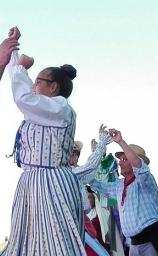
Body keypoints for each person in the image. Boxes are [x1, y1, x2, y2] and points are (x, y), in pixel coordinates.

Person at [2, 27, 86, 255]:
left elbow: (22, 96)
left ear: (53, 87)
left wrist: (19, 66)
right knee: (30, 244)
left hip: (52, 183)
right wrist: (12, 48)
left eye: (38, 81)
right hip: (32, 182)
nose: (33, 85)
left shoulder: (59, 107)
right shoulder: (42, 109)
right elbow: (19, 86)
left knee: (56, 244)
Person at [90, 129, 158, 256]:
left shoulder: (145, 180)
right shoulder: (119, 185)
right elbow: (96, 184)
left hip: (151, 243)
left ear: (133, 160)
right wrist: (96, 155)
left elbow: (139, 166)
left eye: (124, 159)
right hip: (134, 245)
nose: (120, 162)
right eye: (120, 159)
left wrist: (120, 142)